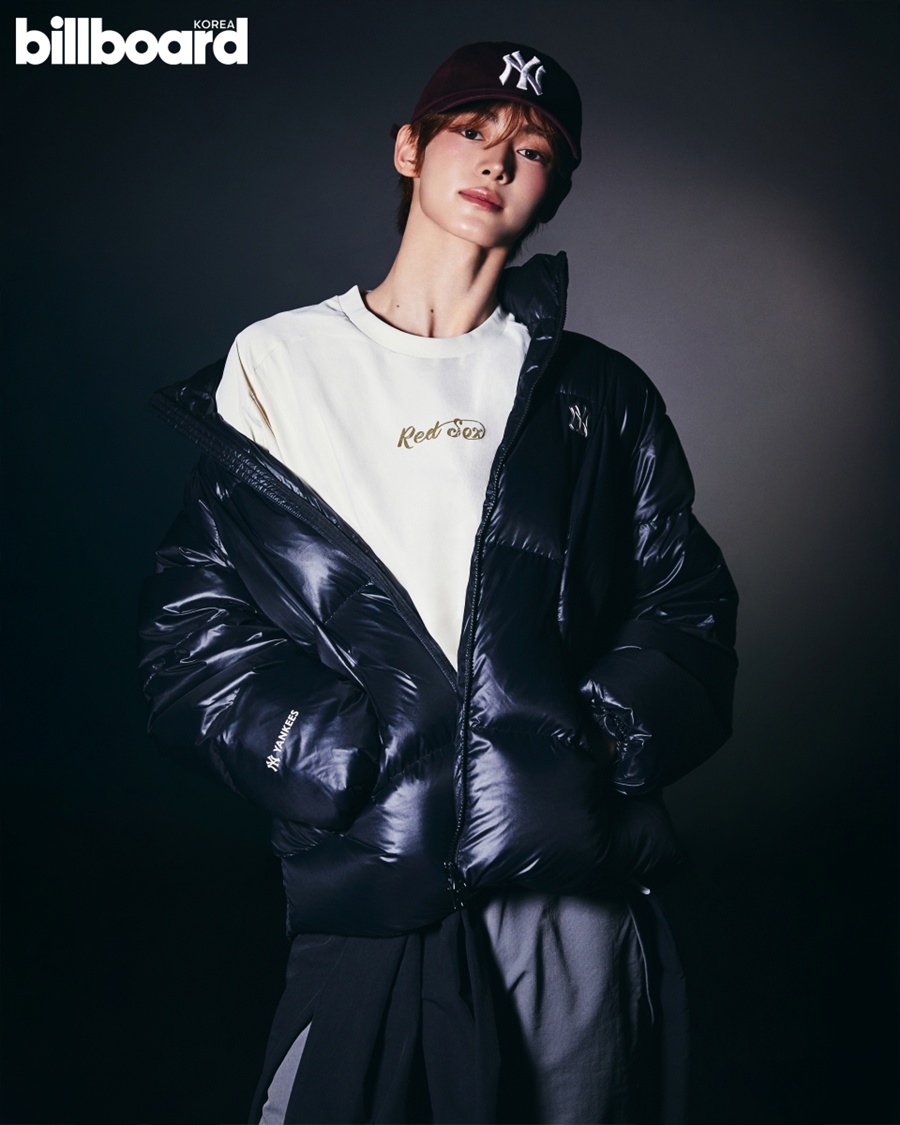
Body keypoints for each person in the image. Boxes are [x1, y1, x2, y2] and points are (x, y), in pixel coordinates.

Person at [138, 40, 738, 1125]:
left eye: (535, 150)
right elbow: (192, 641)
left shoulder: (600, 392)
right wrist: (343, 757)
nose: (499, 161)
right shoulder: (279, 362)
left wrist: (582, 747)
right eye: (473, 130)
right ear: (410, 149)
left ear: (555, 191)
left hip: (567, 892)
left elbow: (687, 610)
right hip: (373, 883)